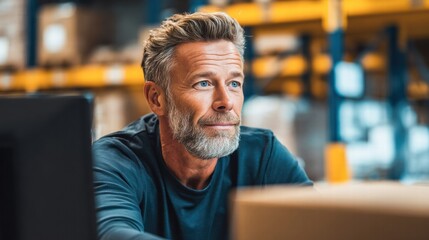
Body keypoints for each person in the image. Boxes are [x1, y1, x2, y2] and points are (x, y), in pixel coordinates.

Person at [92, 11, 312, 240]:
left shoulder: (262, 156)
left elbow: (320, 224)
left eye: (234, 83)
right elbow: (111, 234)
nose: (226, 102)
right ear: (157, 98)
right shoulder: (114, 162)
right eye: (204, 83)